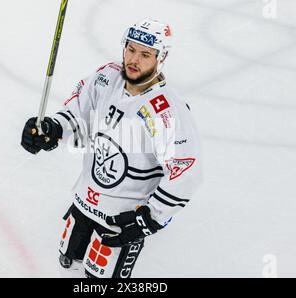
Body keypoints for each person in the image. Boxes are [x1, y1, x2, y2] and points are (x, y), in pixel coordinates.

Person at [21, 18, 203, 278]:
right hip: (85, 201)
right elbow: (77, 115)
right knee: (67, 261)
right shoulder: (106, 78)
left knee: (99, 280)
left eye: (145, 54)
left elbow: (186, 172)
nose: (134, 59)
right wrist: (52, 130)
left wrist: (149, 218)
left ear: (161, 58)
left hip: (122, 217)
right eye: (130, 49)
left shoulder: (165, 110)